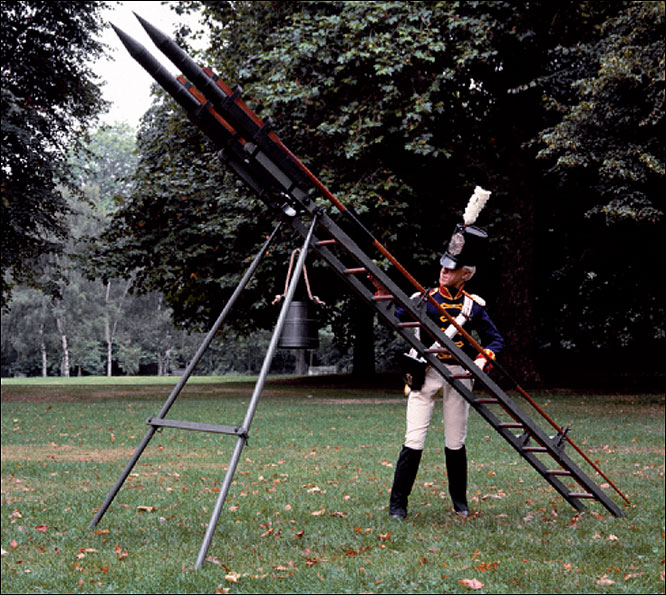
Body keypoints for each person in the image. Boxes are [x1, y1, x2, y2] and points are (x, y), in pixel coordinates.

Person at [376, 217, 504, 520]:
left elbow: (495, 340)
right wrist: (382, 291)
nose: (443, 271)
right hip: (425, 374)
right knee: (414, 439)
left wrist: (483, 358)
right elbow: (395, 315)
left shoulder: (473, 306)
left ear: (465, 275)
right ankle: (398, 505)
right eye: (443, 267)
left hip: (458, 377)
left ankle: (459, 502)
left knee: (455, 441)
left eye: (451, 269)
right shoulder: (423, 300)